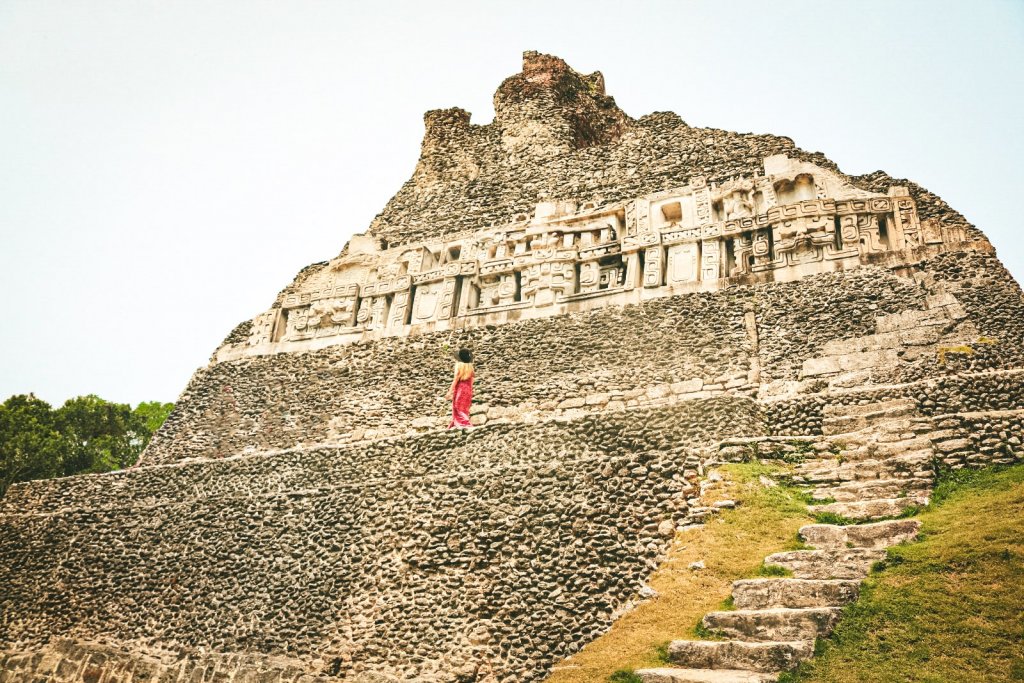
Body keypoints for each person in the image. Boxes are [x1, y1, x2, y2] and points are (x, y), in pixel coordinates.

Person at [445, 348, 474, 429]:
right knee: (464, 407)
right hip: (468, 389)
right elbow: (471, 381)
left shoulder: (459, 366)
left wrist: (450, 392)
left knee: (458, 407)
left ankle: (465, 423)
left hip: (460, 389)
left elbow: (455, 380)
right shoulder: (471, 367)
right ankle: (459, 423)